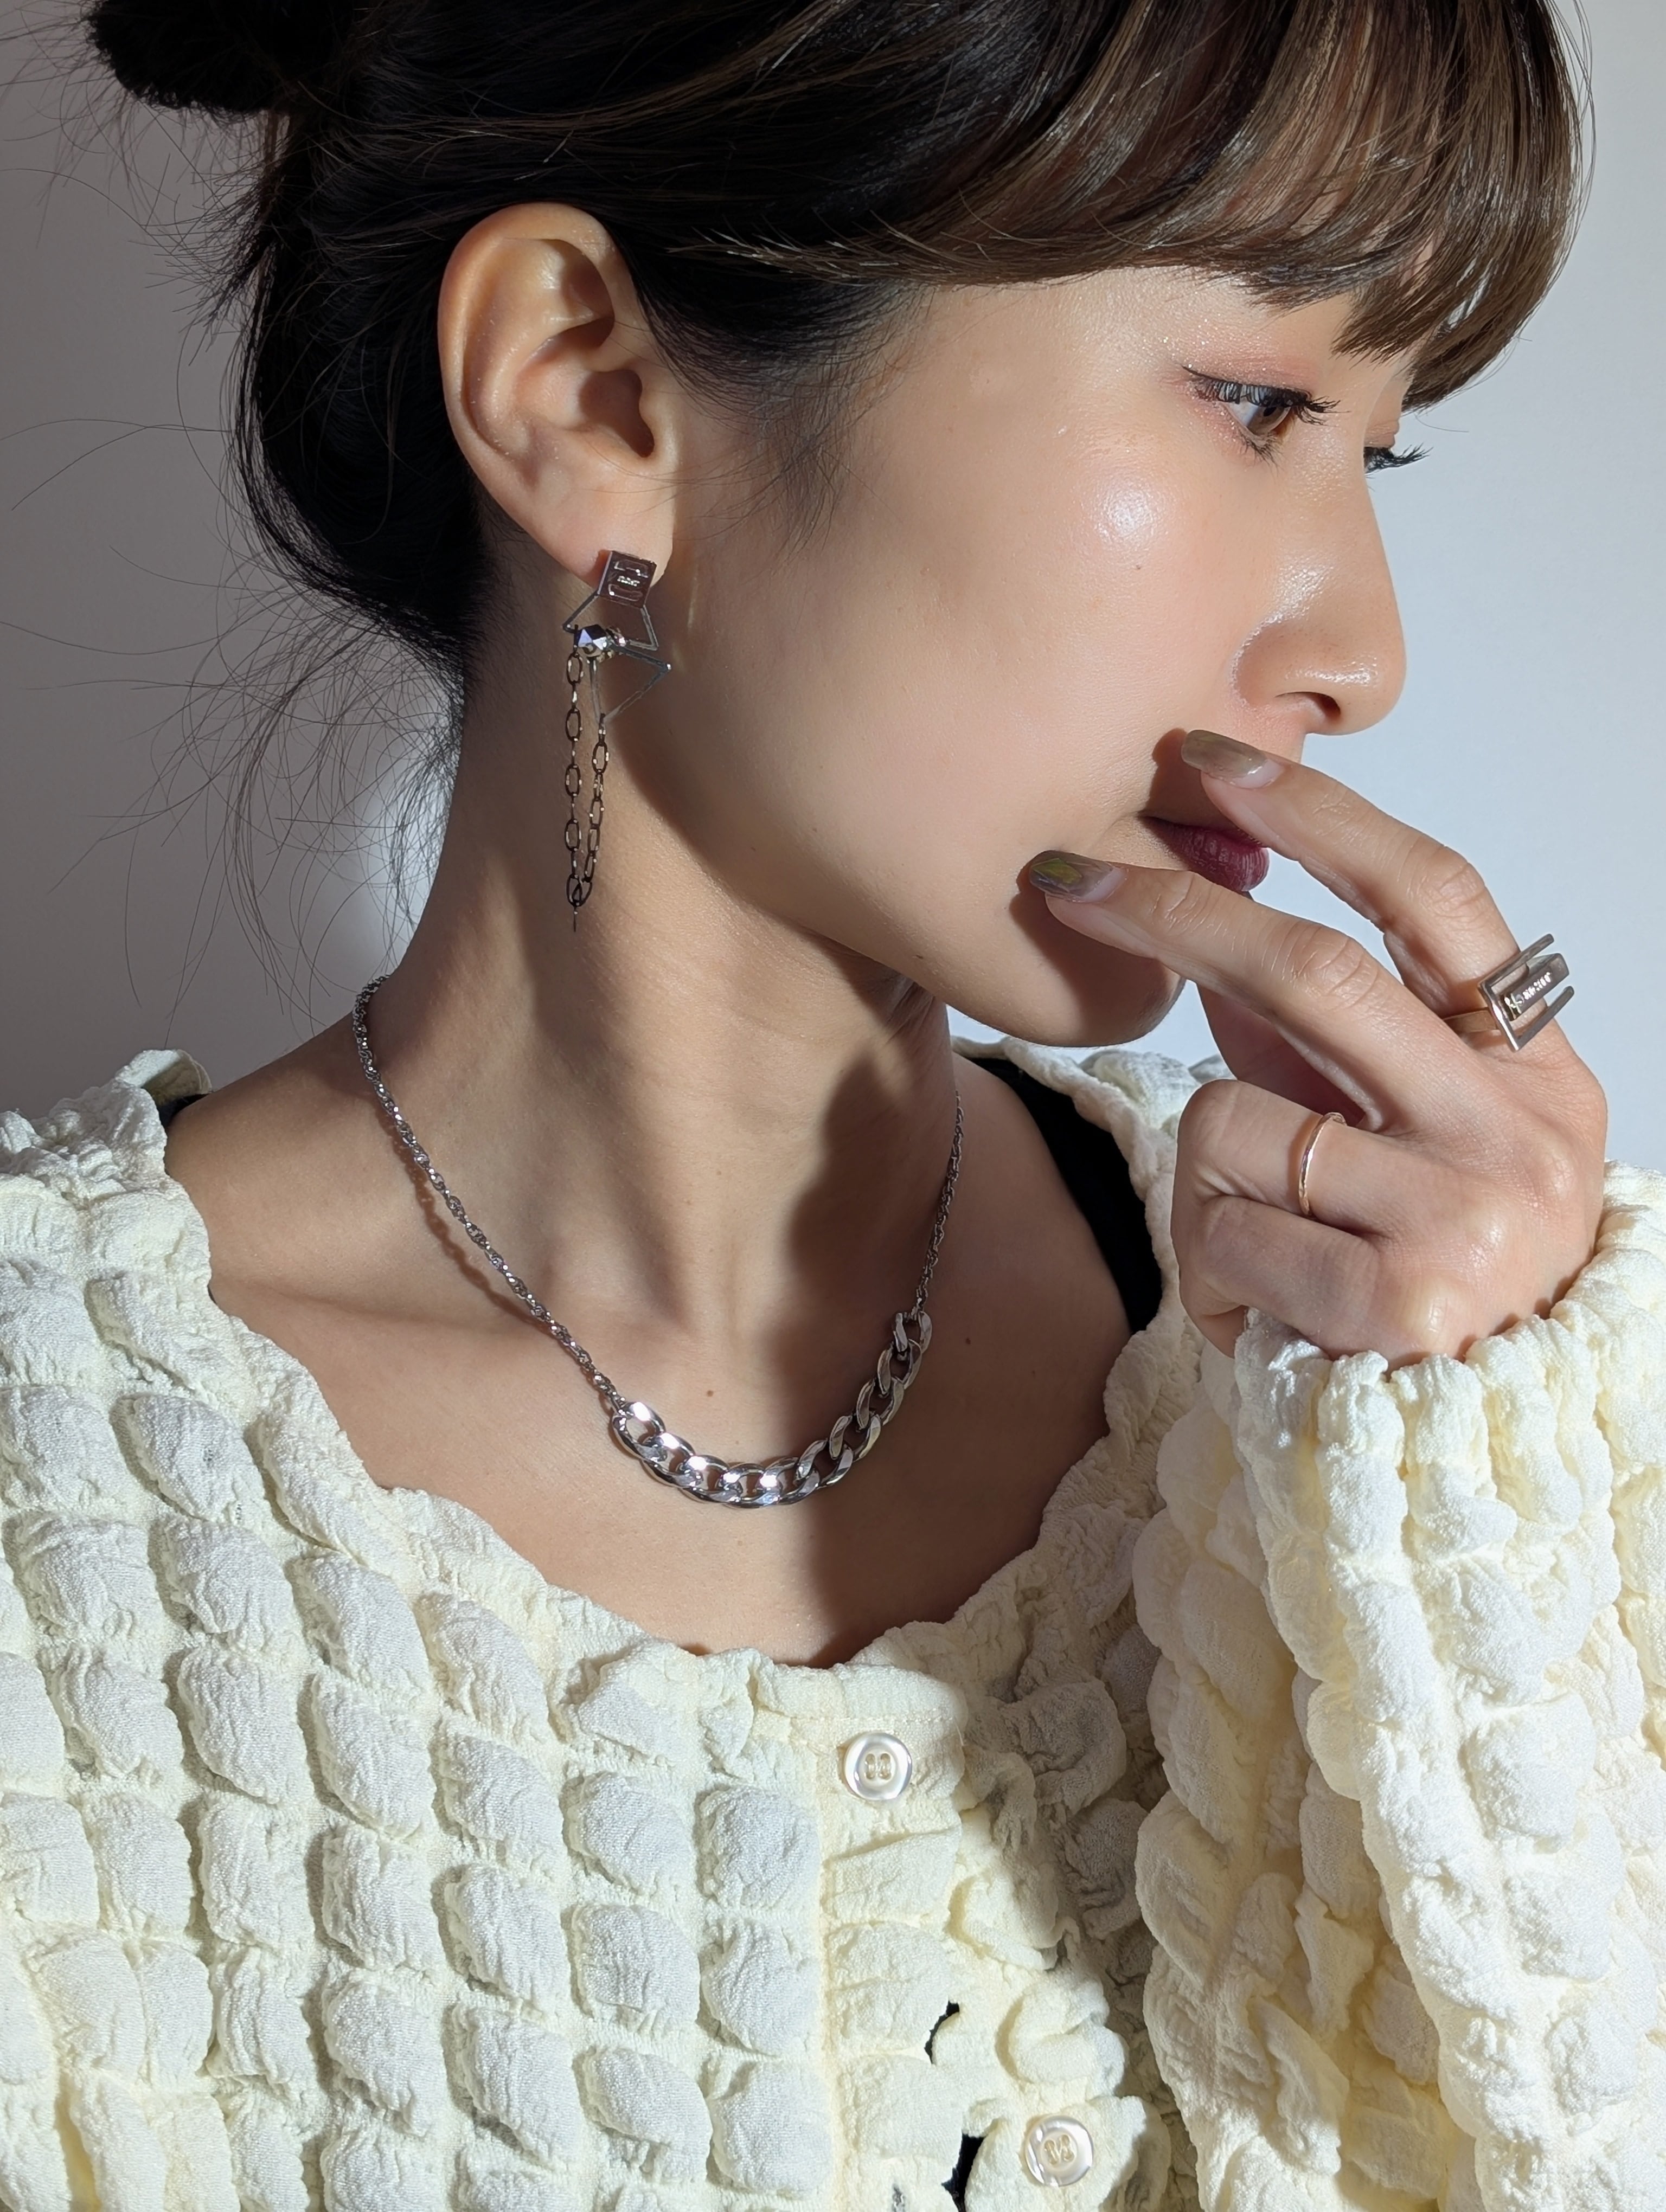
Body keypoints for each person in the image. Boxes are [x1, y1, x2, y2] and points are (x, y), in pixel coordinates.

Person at [2, 0, 1661, 2207]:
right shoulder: (54, 1536)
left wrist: (1493, 1510)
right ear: (588, 394)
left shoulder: (1452, 1414)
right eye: (1259, 402)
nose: (1361, 652)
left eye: (1387, 450)